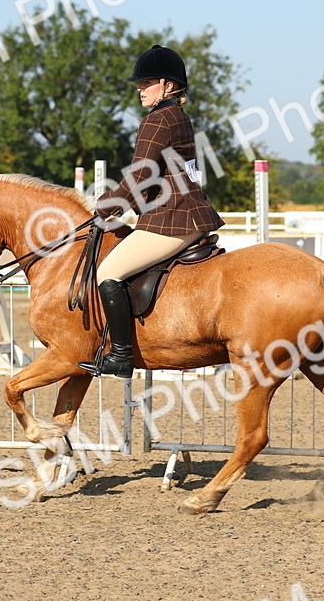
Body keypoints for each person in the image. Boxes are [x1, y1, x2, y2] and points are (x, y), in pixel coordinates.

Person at [78, 45, 225, 378]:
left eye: (146, 82)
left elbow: (140, 178)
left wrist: (101, 206)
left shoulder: (157, 121)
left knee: (108, 271)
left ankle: (120, 355)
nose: (139, 88)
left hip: (172, 219)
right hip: (188, 214)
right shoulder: (178, 117)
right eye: (139, 83)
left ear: (168, 85)